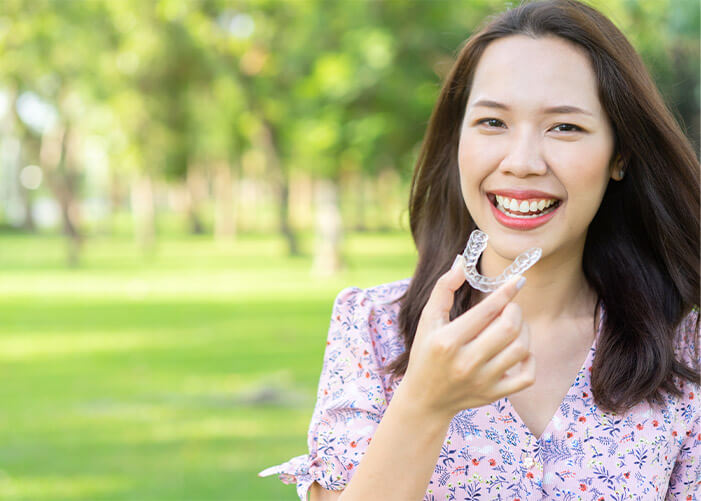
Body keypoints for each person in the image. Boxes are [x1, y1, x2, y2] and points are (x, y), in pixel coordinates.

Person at [258, 0, 700, 499]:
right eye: (493, 122)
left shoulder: (684, 349)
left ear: (619, 155)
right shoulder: (373, 330)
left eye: (565, 127)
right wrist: (424, 402)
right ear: (457, 141)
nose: (522, 162)